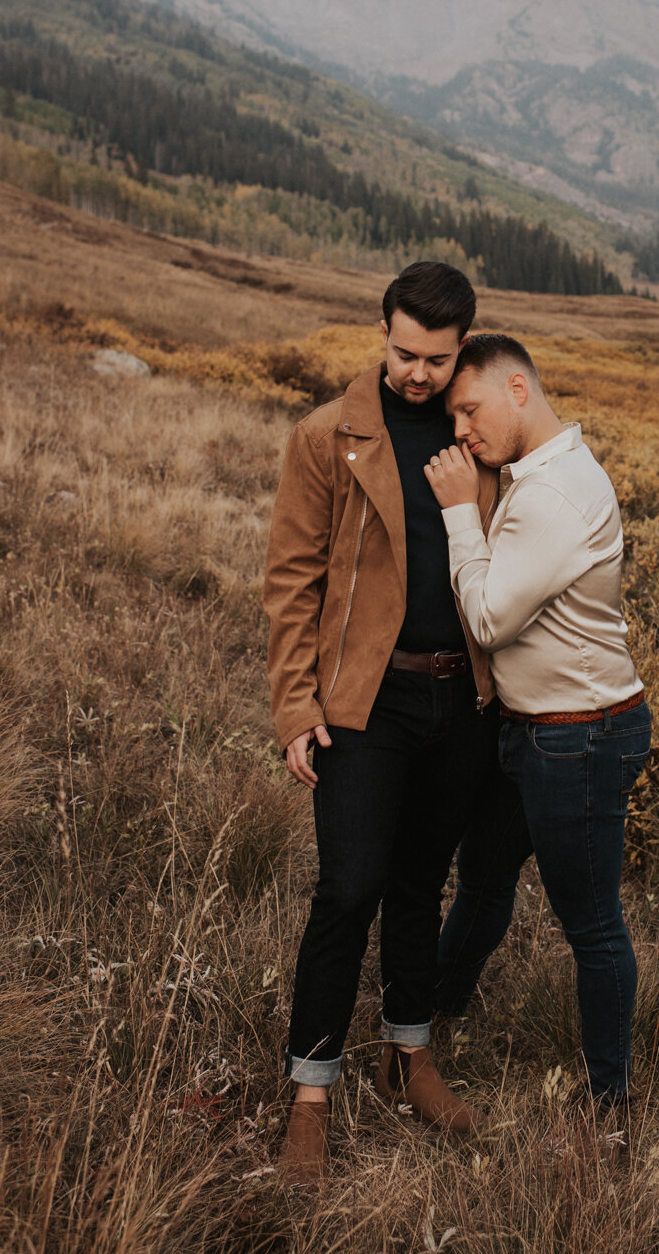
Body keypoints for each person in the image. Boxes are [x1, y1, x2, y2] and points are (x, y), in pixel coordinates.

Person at [263, 262, 500, 1183]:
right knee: (349, 887)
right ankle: (311, 1092)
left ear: (460, 350)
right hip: (364, 703)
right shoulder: (327, 436)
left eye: (436, 360)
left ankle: (411, 1056)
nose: (416, 373)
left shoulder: (474, 437)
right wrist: (294, 704)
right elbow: (291, 582)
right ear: (383, 333)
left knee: (419, 884)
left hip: (461, 699)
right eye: (403, 352)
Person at [424, 334, 651, 1114]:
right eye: (453, 415)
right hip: (529, 731)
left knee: (590, 924)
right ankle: (428, 1024)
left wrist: (459, 512)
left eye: (469, 407)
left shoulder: (555, 493)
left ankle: (608, 1103)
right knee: (483, 885)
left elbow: (487, 619)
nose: (460, 429)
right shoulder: (536, 474)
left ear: (518, 388)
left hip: (579, 735)